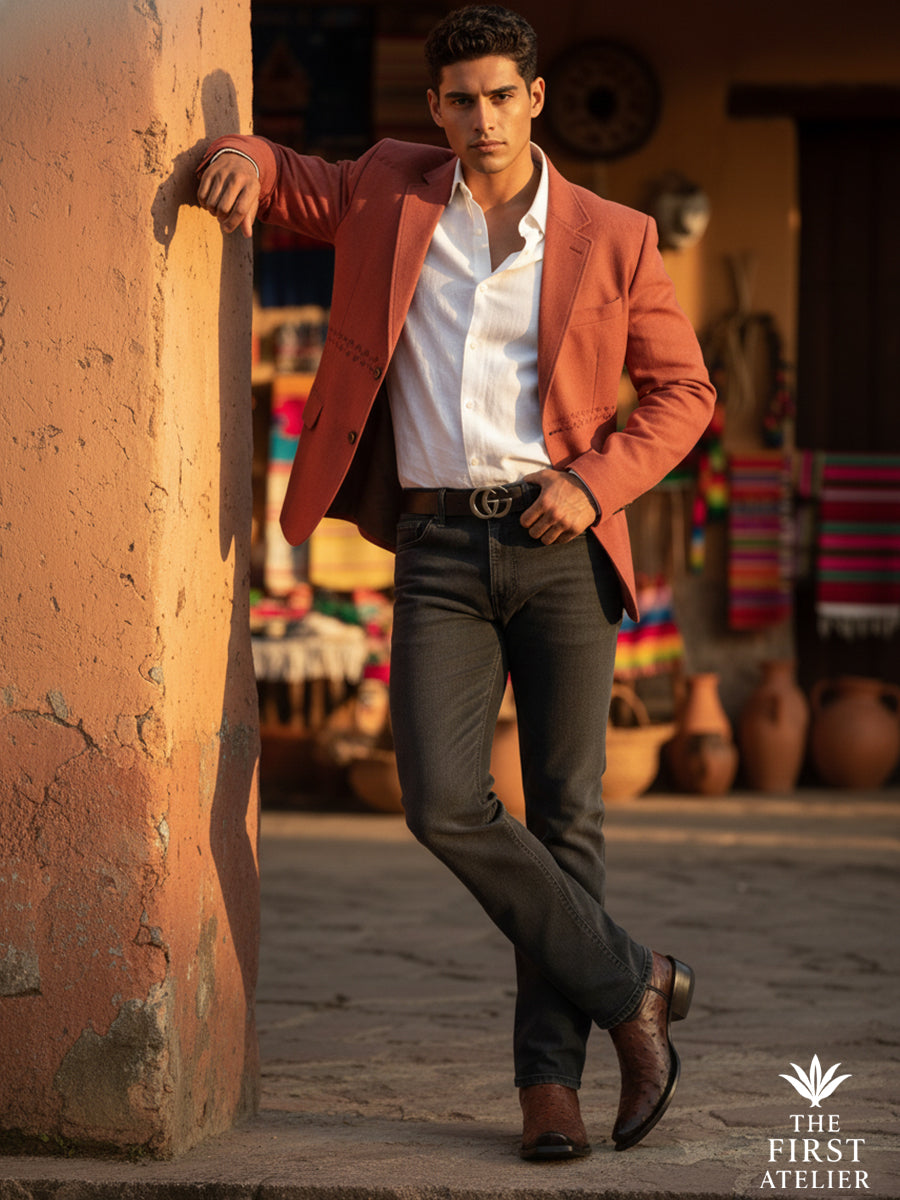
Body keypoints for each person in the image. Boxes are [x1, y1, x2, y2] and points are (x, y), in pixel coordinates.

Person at [197, 4, 714, 1161]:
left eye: (500, 96)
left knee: (568, 816)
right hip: (437, 548)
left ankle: (551, 1090)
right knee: (441, 800)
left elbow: (685, 393)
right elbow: (296, 178)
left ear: (535, 98)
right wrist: (238, 152)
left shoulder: (617, 234)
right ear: (434, 107)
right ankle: (637, 982)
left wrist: (595, 482)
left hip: (564, 544)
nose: (481, 118)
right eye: (460, 99)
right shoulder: (389, 187)